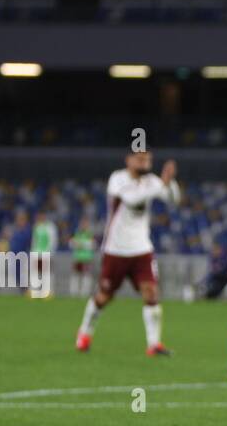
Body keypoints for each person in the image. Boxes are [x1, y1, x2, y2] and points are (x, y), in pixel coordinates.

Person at [75, 149, 180, 355]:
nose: (145, 162)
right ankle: (84, 333)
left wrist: (171, 182)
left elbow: (173, 199)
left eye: (148, 159)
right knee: (104, 296)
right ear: (129, 160)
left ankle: (154, 344)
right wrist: (161, 183)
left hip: (142, 248)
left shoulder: (151, 180)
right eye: (140, 159)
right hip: (116, 249)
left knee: (151, 293)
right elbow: (132, 198)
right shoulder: (118, 179)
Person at [70, 217, 95, 297]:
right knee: (75, 276)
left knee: (86, 276)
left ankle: (85, 293)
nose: (83, 226)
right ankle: (74, 293)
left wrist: (80, 244)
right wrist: (79, 244)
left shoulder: (90, 234)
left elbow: (93, 245)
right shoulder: (77, 233)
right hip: (77, 258)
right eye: (82, 224)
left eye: (85, 224)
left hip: (86, 258)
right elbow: (71, 243)